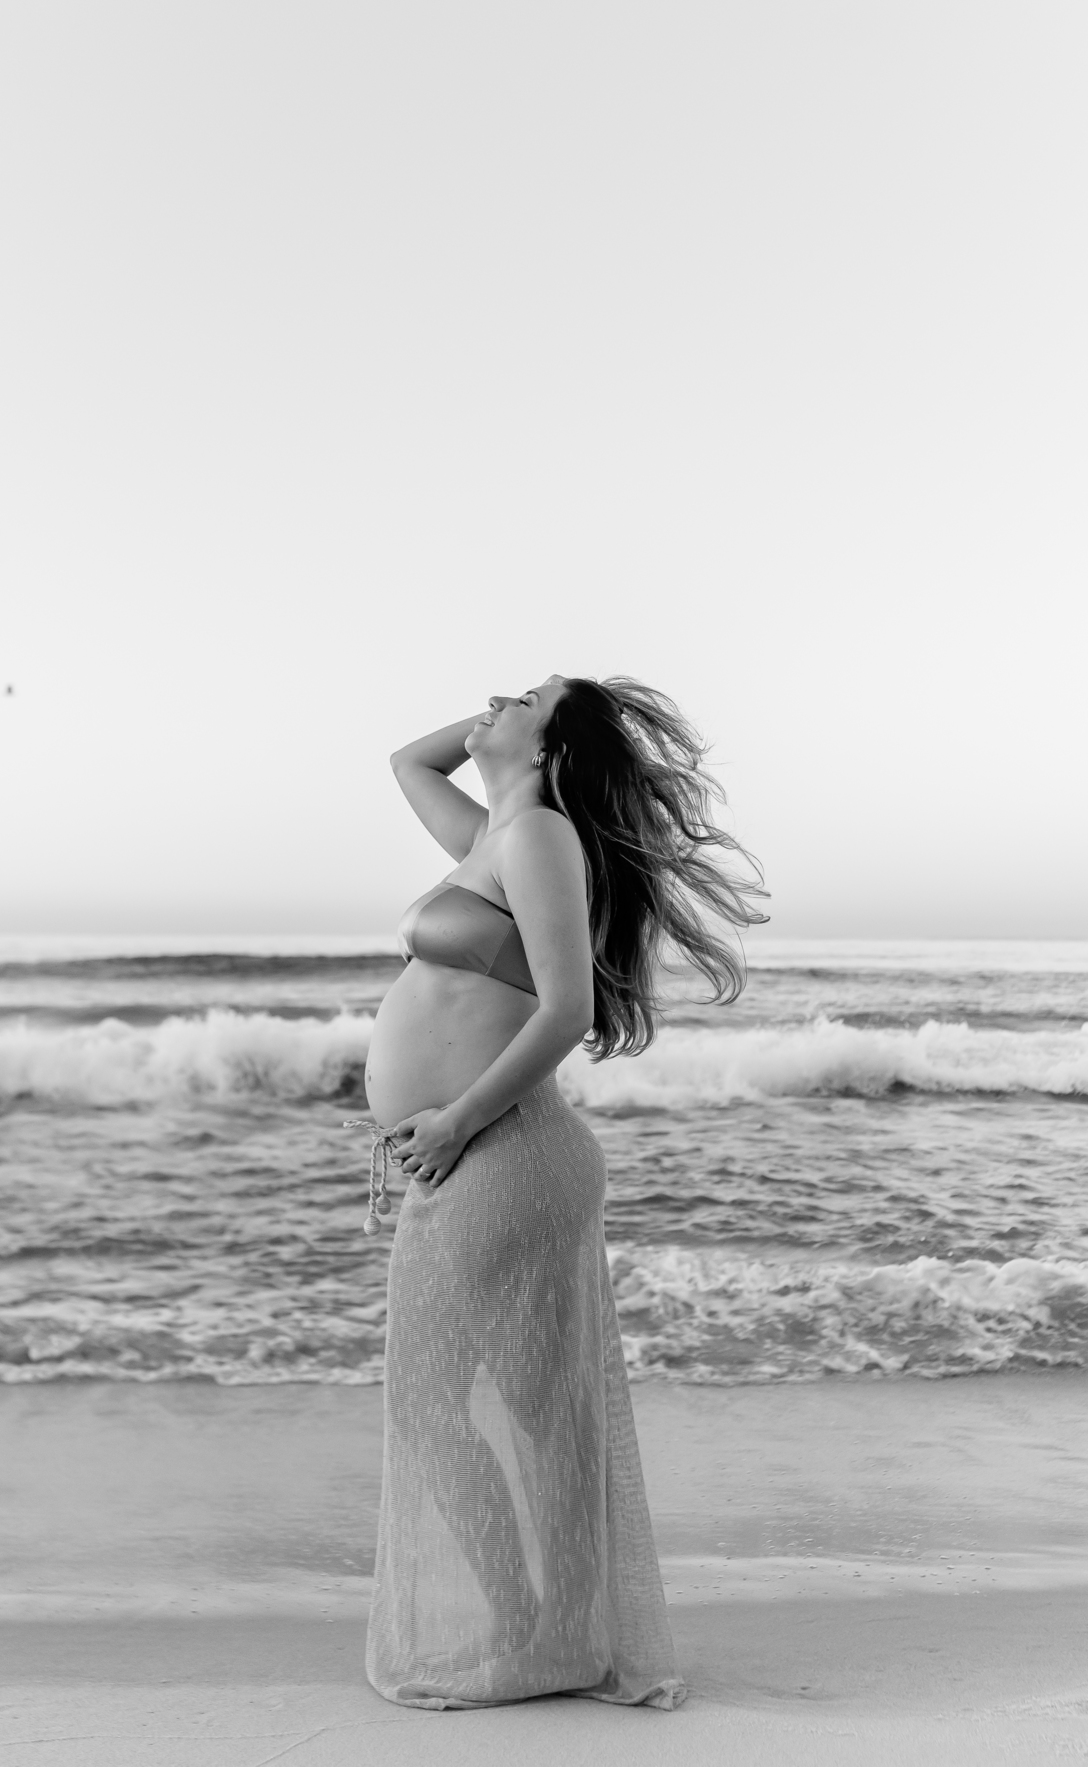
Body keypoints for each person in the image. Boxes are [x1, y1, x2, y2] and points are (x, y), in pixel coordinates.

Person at [359, 673, 766, 1711]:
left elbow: (565, 1008)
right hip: (489, 1155)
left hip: (504, 1150)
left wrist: (454, 1119)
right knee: (509, 1410)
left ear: (556, 751)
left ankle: (533, 1633)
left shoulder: (538, 836)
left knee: (464, 1407)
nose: (494, 693)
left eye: (524, 693)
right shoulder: (497, 835)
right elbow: (409, 760)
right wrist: (509, 734)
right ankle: (549, 1632)